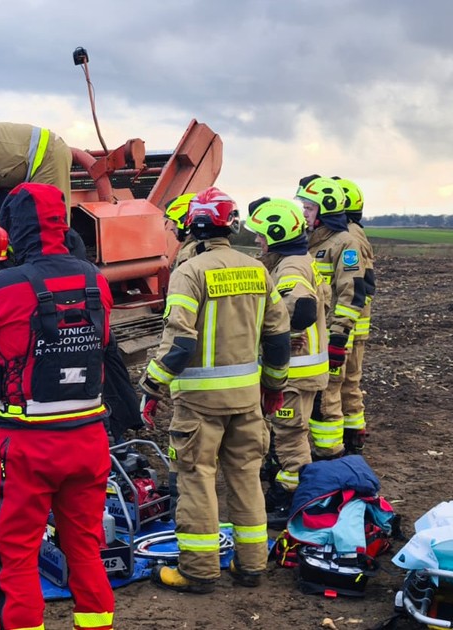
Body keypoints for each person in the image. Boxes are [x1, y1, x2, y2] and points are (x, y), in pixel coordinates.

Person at [0, 183, 115, 630]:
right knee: (85, 549)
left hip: (27, 446)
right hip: (88, 439)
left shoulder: (5, 286)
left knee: (16, 554)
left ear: (16, 229)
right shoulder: (95, 280)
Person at [140, 186, 290, 593]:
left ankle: (199, 571)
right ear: (231, 224)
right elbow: (278, 337)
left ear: (192, 226)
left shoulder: (190, 272)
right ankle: (252, 565)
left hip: (199, 405)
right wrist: (274, 386)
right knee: (245, 478)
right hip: (247, 400)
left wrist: (152, 386)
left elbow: (180, 342)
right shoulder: (256, 269)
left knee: (197, 479)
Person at [243, 197, 329, 528]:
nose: (256, 240)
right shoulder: (297, 259)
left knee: (291, 438)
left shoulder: (290, 267)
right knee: (290, 434)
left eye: (261, 235)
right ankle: (290, 494)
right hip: (304, 370)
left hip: (296, 372)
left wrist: (276, 331)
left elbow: (302, 309)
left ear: (277, 235)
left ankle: (296, 503)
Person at [298, 174, 367, 459]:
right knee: (313, 400)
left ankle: (332, 457)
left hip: (332, 338)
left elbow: (352, 294)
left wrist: (339, 338)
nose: (303, 212)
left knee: (328, 401)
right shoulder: (310, 243)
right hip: (312, 339)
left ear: (325, 210)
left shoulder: (344, 244)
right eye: (303, 206)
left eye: (309, 207)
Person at [332, 176, 375, 454]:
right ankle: (351, 439)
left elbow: (359, 286)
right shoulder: (353, 233)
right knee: (348, 385)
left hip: (349, 327)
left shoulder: (350, 237)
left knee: (346, 386)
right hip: (352, 326)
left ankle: (350, 443)